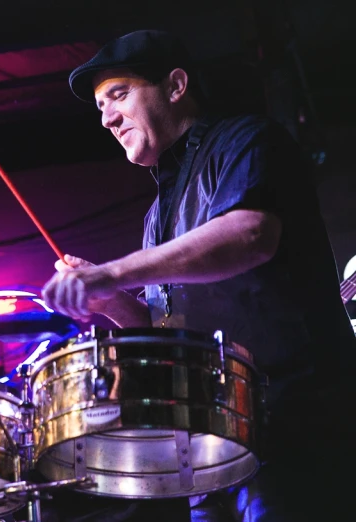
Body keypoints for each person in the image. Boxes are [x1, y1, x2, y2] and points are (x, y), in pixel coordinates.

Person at [40, 30, 356, 521]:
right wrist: (111, 304)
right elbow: (172, 335)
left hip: (297, 425)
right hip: (214, 447)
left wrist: (112, 273)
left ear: (176, 86)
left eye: (119, 95)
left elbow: (251, 234)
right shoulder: (156, 215)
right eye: (100, 106)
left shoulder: (246, 140)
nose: (106, 117)